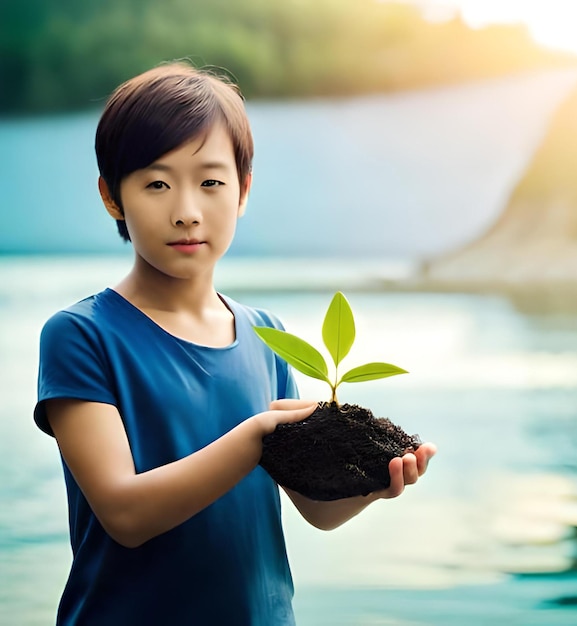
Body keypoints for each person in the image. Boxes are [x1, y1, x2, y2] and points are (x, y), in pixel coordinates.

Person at [34, 62, 437, 626]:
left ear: (243, 191)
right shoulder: (82, 335)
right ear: (111, 196)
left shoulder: (265, 335)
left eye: (211, 182)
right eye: (156, 183)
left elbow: (314, 509)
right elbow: (123, 513)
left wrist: (375, 482)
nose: (186, 211)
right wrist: (253, 435)